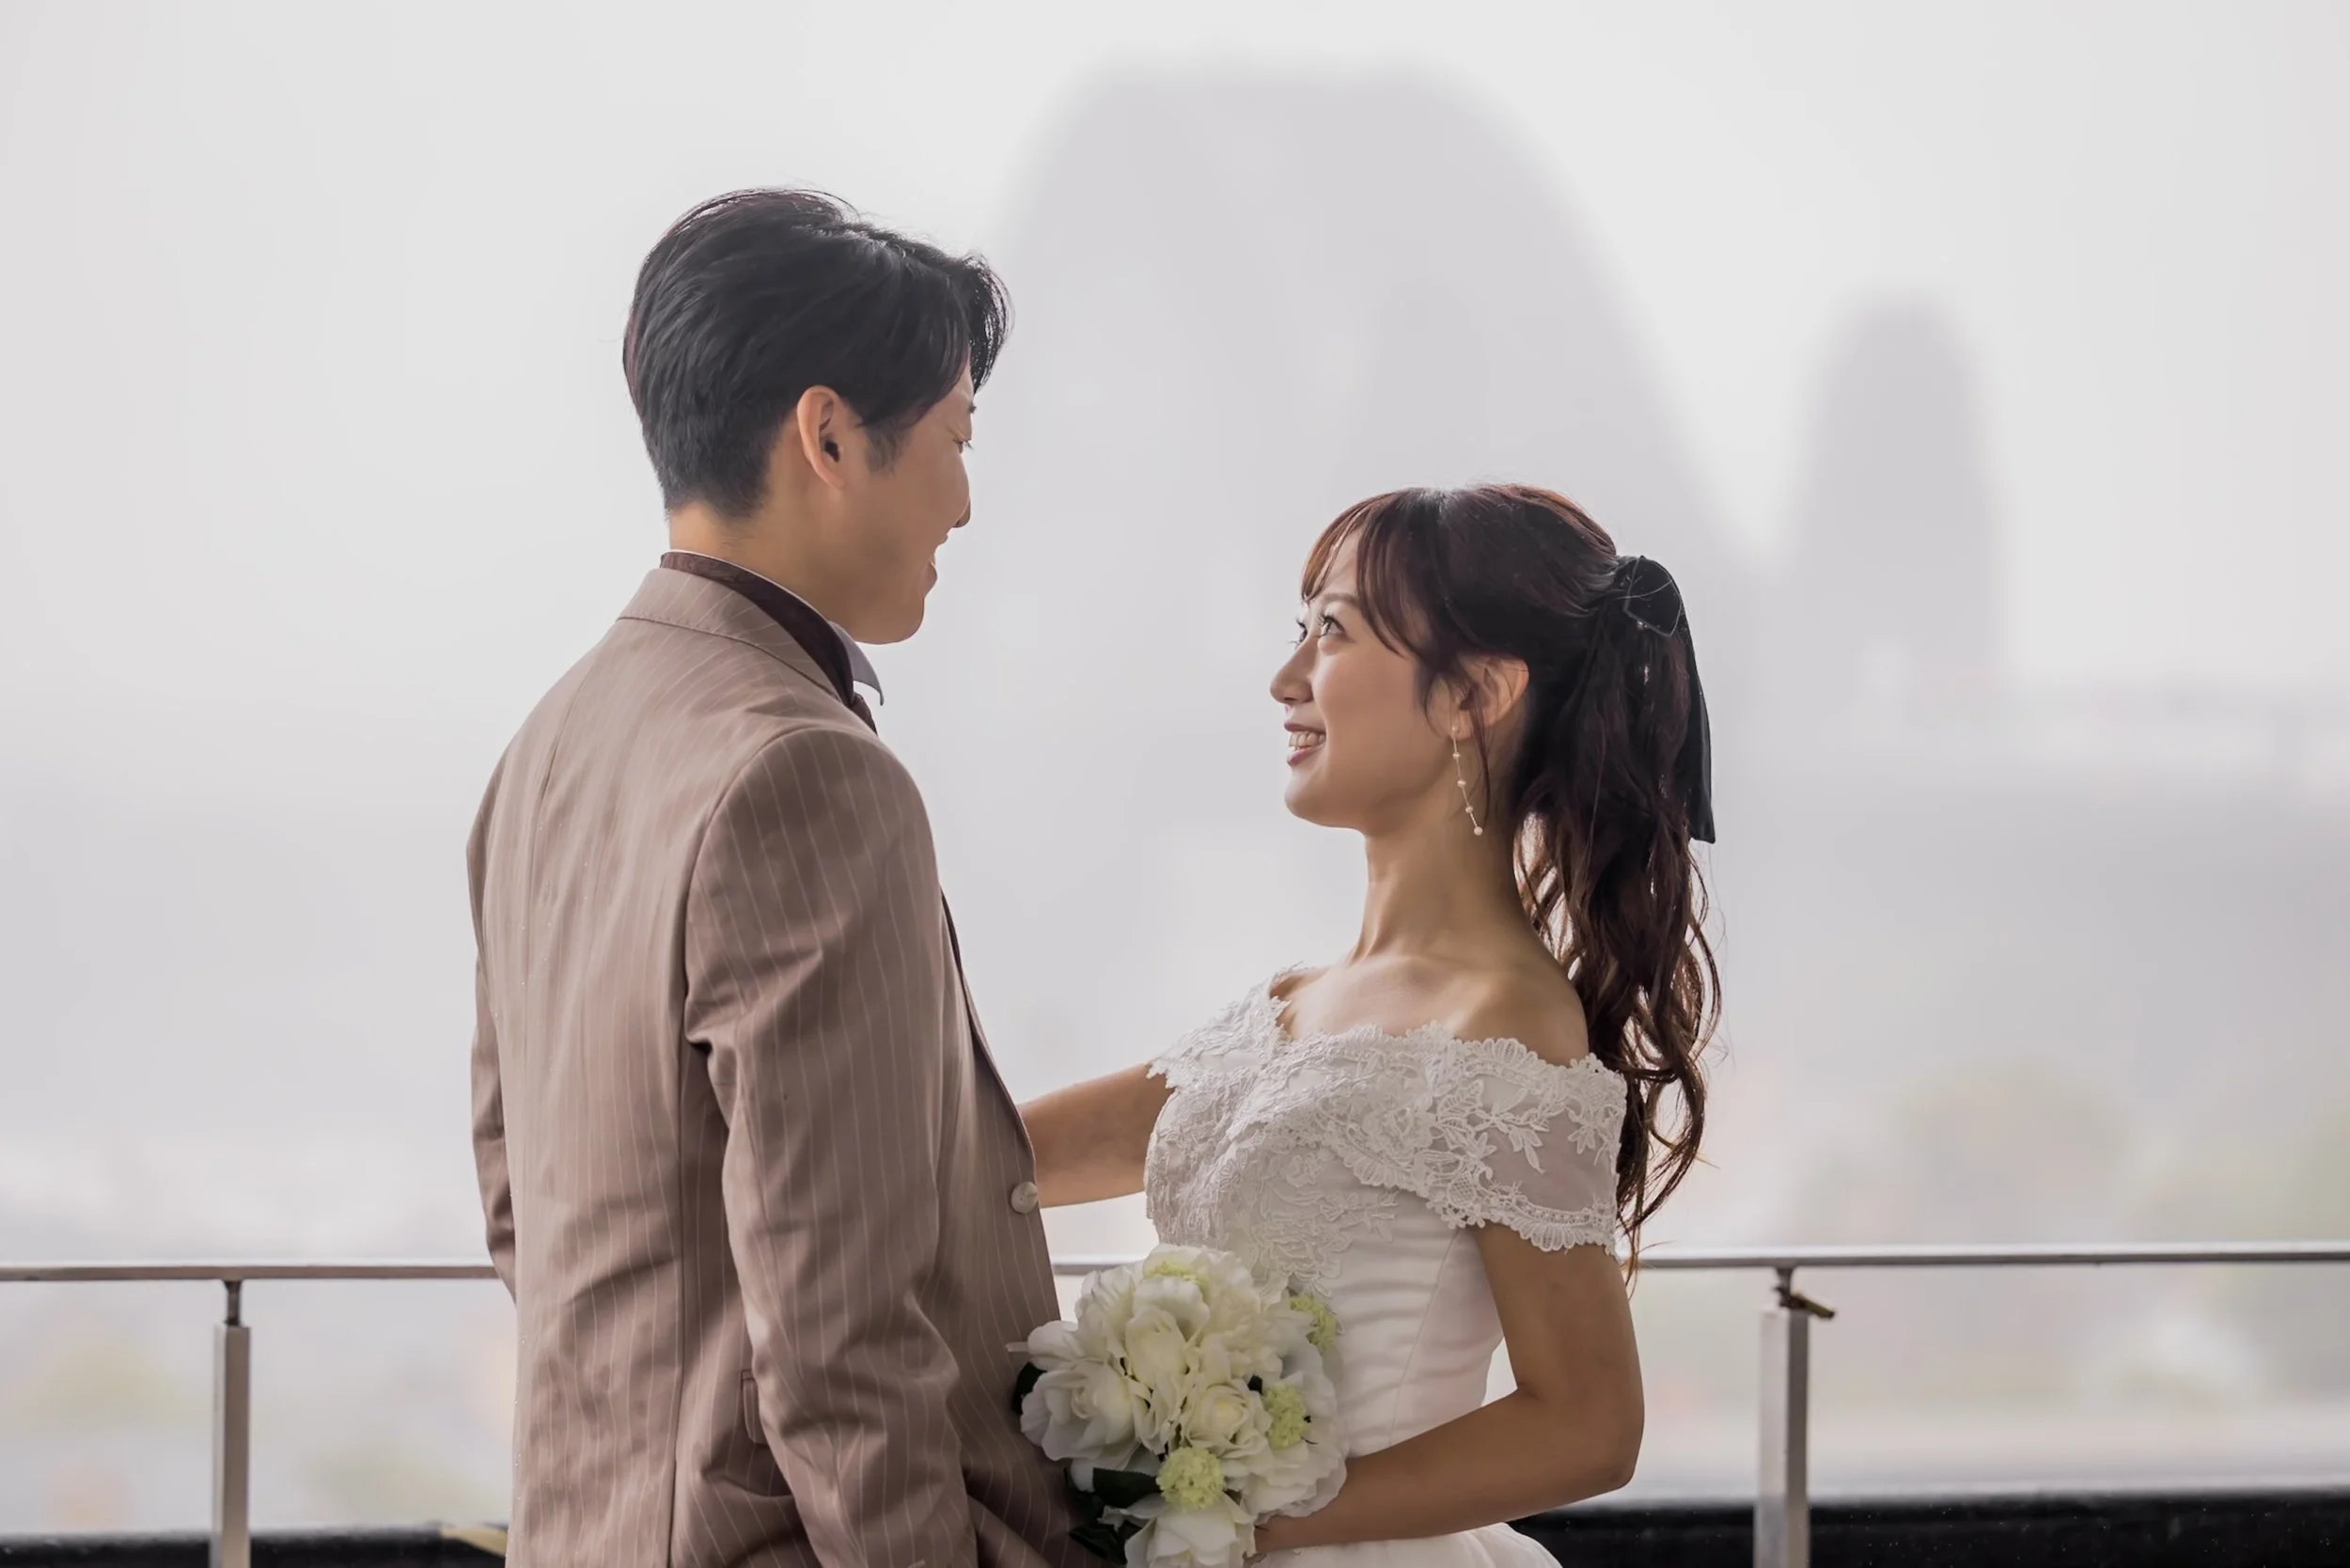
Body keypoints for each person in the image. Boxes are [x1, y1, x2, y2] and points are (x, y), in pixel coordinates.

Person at [468, 189, 1086, 1568]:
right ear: (827, 436)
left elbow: (524, 1209)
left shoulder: (551, 743)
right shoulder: (806, 775)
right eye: (954, 439)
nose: (967, 503)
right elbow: (841, 1331)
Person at [1021, 483, 1719, 1564]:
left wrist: (1241, 1515)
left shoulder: (1505, 1026)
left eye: (1332, 632)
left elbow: (1589, 1424)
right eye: (1297, 630)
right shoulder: (1288, 1003)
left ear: (1473, 694)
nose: (1286, 678)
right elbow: (1003, 1156)